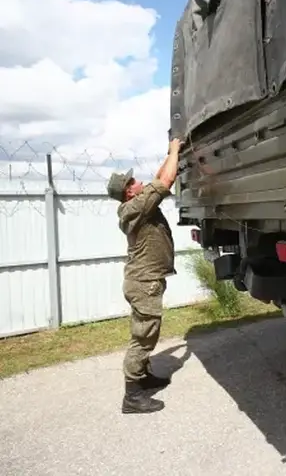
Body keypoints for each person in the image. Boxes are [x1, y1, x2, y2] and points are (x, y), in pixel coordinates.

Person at [106, 137, 181, 414]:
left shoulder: (138, 202)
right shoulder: (136, 207)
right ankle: (132, 397)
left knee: (145, 331)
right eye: (133, 181)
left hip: (143, 281)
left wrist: (171, 152)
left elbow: (159, 178)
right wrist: (174, 152)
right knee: (144, 337)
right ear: (128, 192)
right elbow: (167, 180)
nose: (138, 181)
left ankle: (144, 376)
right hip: (143, 283)